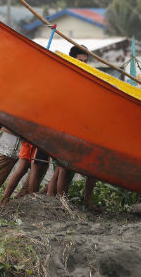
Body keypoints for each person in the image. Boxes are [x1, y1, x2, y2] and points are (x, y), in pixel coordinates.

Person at [47, 45, 102, 211]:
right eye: (80, 61)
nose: (83, 65)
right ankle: (58, 200)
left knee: (92, 166)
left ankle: (87, 201)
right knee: (63, 165)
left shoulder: (89, 76)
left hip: (84, 126)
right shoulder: (65, 75)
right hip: (66, 126)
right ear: (72, 59)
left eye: (85, 62)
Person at [0, 140, 36, 206]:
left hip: (27, 138)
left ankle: (4, 200)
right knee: (35, 172)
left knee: (22, 169)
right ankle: (31, 201)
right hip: (38, 142)